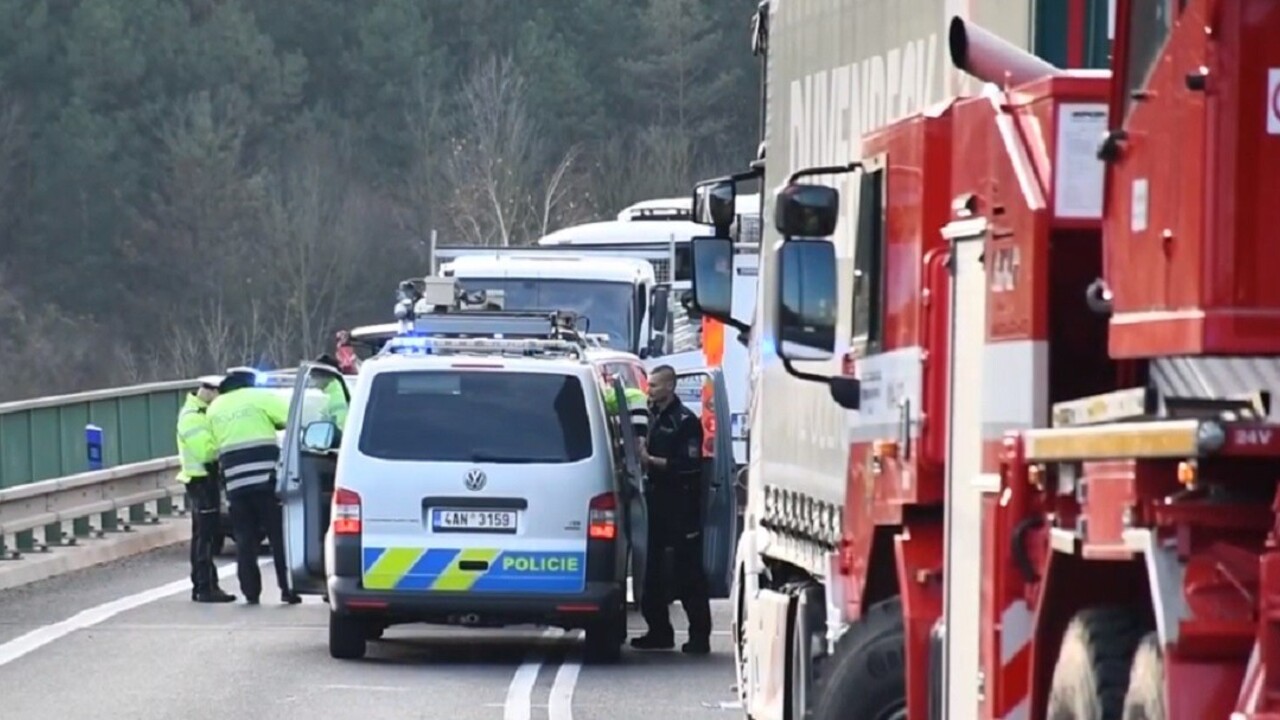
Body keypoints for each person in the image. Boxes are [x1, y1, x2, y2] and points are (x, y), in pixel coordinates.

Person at [632, 364, 712, 655]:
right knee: (651, 572)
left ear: (670, 387)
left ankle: (700, 636)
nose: (648, 390)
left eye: (653, 386)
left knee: (688, 573)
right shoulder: (650, 416)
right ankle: (659, 631)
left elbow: (687, 467)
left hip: (680, 506)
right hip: (654, 504)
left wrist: (649, 460)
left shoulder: (685, 422)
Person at [206, 369, 301, 605]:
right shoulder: (259, 396)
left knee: (245, 538)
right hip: (266, 480)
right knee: (278, 536)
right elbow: (288, 418)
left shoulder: (214, 408)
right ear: (248, 385)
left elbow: (212, 444)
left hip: (236, 483)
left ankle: (250, 591)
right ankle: (287, 588)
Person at [176, 375, 236, 604]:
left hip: (204, 481)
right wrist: (226, 444)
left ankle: (206, 585)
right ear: (210, 392)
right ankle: (204, 587)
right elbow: (205, 452)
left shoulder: (201, 414)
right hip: (201, 481)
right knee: (205, 537)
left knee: (205, 535)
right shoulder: (192, 418)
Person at [313, 354, 349, 433]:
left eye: (315, 376)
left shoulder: (337, 398)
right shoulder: (330, 394)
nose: (314, 381)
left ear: (325, 376)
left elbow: (340, 429)